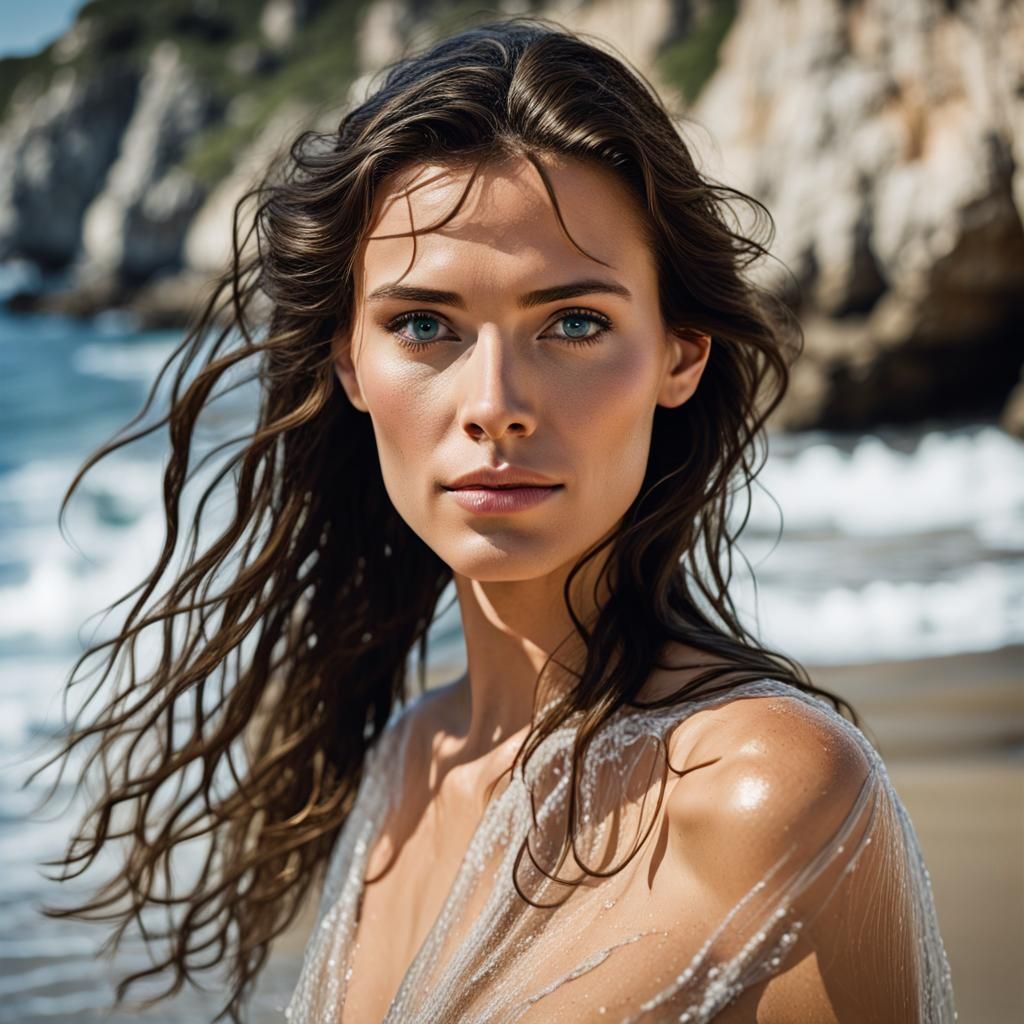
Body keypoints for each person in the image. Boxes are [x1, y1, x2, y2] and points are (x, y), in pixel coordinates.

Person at [37, 15, 956, 1024]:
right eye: (423, 324)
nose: (494, 402)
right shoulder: (409, 761)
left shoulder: (768, 794)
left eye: (573, 322)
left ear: (679, 355)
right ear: (349, 360)